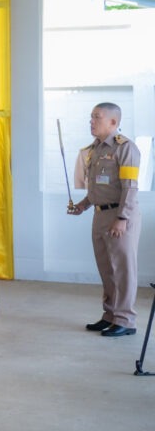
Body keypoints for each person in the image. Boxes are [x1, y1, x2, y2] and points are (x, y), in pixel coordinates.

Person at [68, 102, 142, 337]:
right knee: (106, 269)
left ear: (113, 122)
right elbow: (97, 186)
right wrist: (83, 205)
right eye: (91, 117)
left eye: (96, 117)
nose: (91, 121)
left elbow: (130, 188)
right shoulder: (95, 149)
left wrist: (122, 217)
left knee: (123, 269)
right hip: (100, 215)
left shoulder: (126, 148)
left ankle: (126, 320)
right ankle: (110, 315)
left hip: (120, 215)